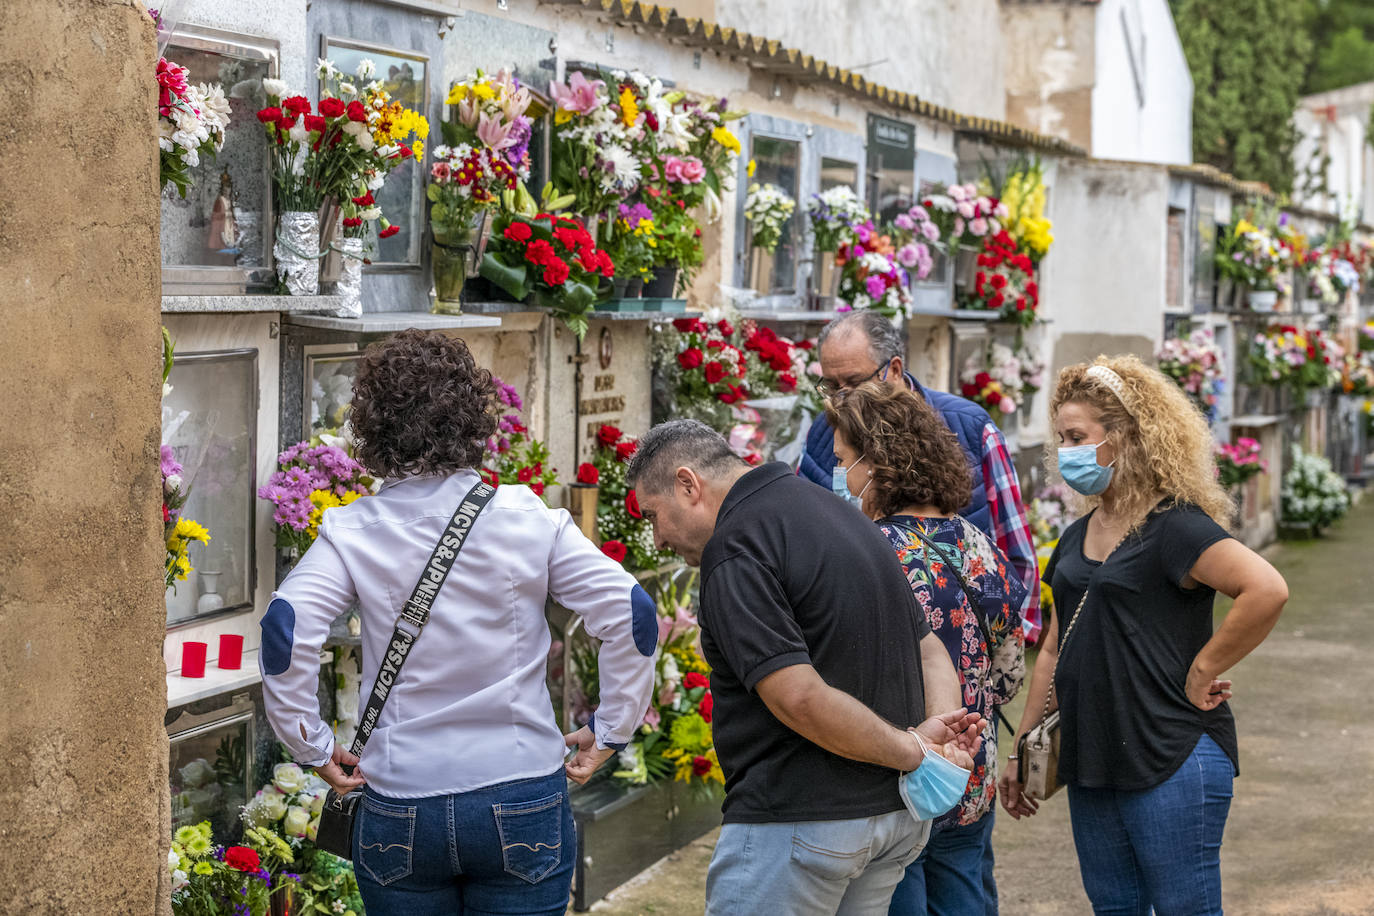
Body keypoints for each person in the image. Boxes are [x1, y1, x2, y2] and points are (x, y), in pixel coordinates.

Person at [258, 330, 657, 916]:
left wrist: (312, 746)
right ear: (474, 420)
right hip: (519, 786)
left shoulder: (352, 530)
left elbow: (283, 630)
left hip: (400, 797)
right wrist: (612, 728)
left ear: (372, 427)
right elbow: (632, 613)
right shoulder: (528, 519)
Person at [626, 418, 987, 916]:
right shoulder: (841, 513)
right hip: (891, 821)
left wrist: (917, 751)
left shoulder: (735, 548)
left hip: (799, 824)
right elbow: (930, 649)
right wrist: (936, 739)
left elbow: (798, 696)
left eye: (653, 514)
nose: (658, 537)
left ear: (689, 484)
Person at [1000, 356, 1289, 915]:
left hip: (1170, 753)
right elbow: (1053, 651)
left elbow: (1266, 589)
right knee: (1114, 907)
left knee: (1185, 907)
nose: (1066, 453)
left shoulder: (1177, 527)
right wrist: (1022, 749)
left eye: (1078, 436)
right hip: (1091, 757)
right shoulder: (1077, 535)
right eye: (1061, 439)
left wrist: (1204, 667)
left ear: (1127, 436)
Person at [826, 382, 1026, 916]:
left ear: (876, 463)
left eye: (845, 460)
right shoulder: (975, 541)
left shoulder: (868, 550)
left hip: (898, 772)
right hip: (968, 768)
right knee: (965, 895)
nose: (839, 477)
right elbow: (1008, 674)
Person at [799, 310, 1041, 645]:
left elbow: (1015, 547)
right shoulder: (824, 435)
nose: (841, 397)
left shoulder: (967, 428)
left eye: (854, 382)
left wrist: (1012, 641)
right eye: (830, 385)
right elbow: (804, 540)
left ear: (894, 369)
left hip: (961, 642)